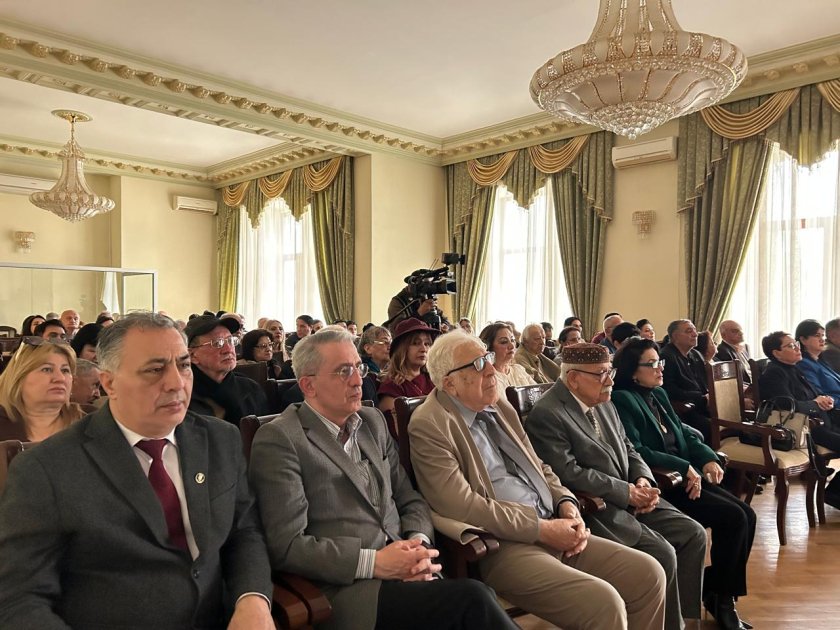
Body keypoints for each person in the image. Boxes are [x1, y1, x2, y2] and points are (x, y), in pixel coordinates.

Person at [0, 312, 274, 629]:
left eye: (184, 365)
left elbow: (243, 532)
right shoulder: (45, 468)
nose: (176, 383)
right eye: (155, 369)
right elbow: (19, 598)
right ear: (109, 383)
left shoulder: (221, 439)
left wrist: (252, 599)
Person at [248, 328, 515, 630]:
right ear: (308, 385)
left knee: (477, 600)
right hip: (348, 591)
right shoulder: (281, 439)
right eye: (343, 371)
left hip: (408, 570)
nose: (357, 380)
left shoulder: (371, 422)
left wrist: (417, 544)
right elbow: (288, 545)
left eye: (358, 368)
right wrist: (375, 563)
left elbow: (409, 499)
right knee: (473, 600)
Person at [408, 330, 667, 629]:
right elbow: (462, 505)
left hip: (552, 523)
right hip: (503, 544)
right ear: (449, 383)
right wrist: (541, 529)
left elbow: (539, 465)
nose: (491, 369)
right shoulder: (430, 424)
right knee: (604, 602)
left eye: (488, 358)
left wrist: (566, 503)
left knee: (649, 573)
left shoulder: (499, 405)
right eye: (478, 364)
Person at [527, 343, 706, 630]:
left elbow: (628, 447)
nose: (610, 380)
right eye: (601, 374)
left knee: (693, 534)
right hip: (598, 507)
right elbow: (568, 473)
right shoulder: (548, 413)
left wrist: (642, 479)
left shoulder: (604, 401)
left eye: (610, 372)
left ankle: (683, 620)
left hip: (632, 493)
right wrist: (626, 492)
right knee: (663, 552)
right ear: (573, 378)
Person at [611, 337, 756, 630]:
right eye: (651, 364)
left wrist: (708, 458)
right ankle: (721, 599)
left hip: (688, 475)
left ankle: (719, 592)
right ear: (632, 371)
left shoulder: (658, 393)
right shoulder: (623, 399)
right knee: (733, 518)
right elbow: (637, 450)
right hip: (665, 482)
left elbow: (684, 434)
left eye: (660, 362)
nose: (659, 368)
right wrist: (684, 466)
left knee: (747, 515)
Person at [186, 314, 269, 425]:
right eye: (217, 343)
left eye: (230, 341)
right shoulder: (182, 396)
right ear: (192, 355)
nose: (228, 349)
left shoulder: (251, 389)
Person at [0, 337, 85, 441]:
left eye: (65, 370)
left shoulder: (91, 422)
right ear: (18, 378)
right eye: (47, 369)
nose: (60, 378)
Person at [660, 320, 711, 443]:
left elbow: (705, 382)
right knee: (708, 426)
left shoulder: (696, 354)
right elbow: (669, 389)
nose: (695, 334)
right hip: (685, 408)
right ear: (675, 336)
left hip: (705, 404)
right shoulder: (666, 356)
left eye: (695, 330)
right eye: (689, 331)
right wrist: (701, 397)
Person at [377, 318, 439, 417]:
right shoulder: (392, 387)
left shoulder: (433, 380)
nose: (423, 349)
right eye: (415, 343)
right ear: (401, 349)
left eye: (427, 344)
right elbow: (396, 425)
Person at [478, 322, 536, 401]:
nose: (512, 346)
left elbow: (539, 395)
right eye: (504, 342)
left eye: (512, 340)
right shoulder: (487, 378)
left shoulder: (519, 370)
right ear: (489, 347)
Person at [795, 319, 840, 408]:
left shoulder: (820, 361)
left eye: (823, 335)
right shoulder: (804, 364)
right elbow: (818, 395)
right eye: (817, 336)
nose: (822, 340)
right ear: (803, 340)